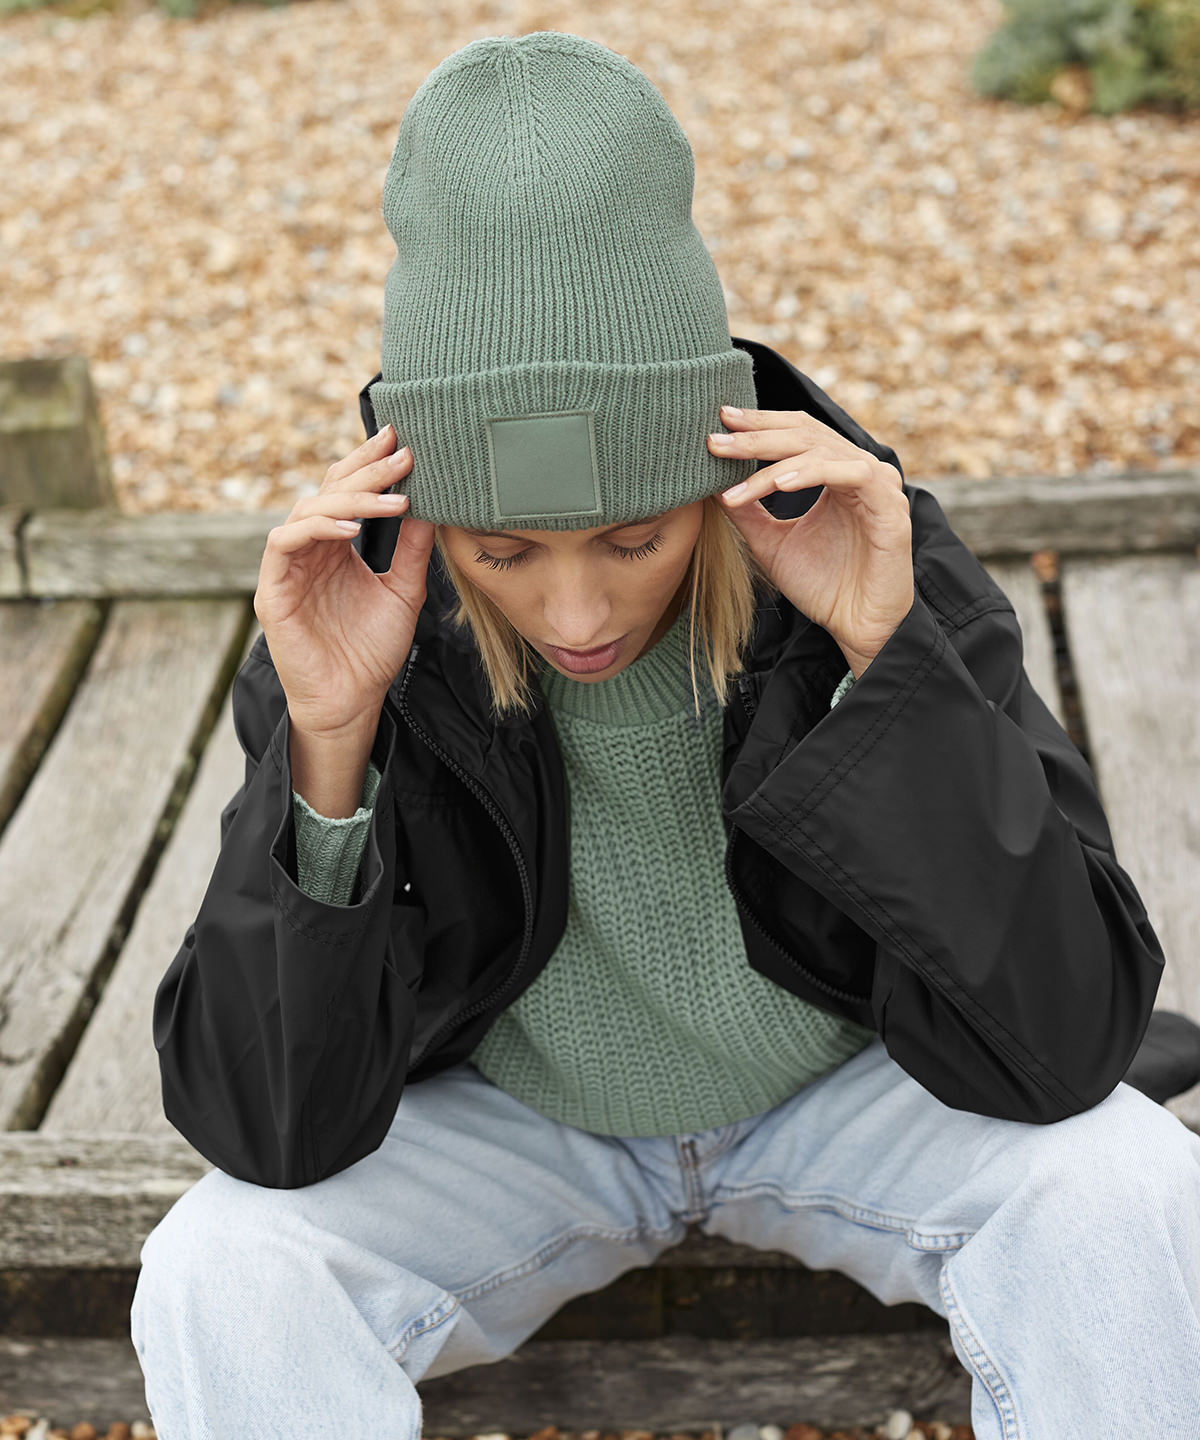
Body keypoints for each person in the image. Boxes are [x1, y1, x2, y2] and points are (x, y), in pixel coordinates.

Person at [129, 30, 1200, 1440]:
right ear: (433, 508)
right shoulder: (360, 616)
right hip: (524, 1124)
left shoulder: (864, 548)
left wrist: (890, 662)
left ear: (711, 462)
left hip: (854, 1082)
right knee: (221, 1268)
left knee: (1127, 1188)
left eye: (634, 538)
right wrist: (329, 740)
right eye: (505, 551)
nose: (576, 613)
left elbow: (1067, 1039)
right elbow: (270, 1131)